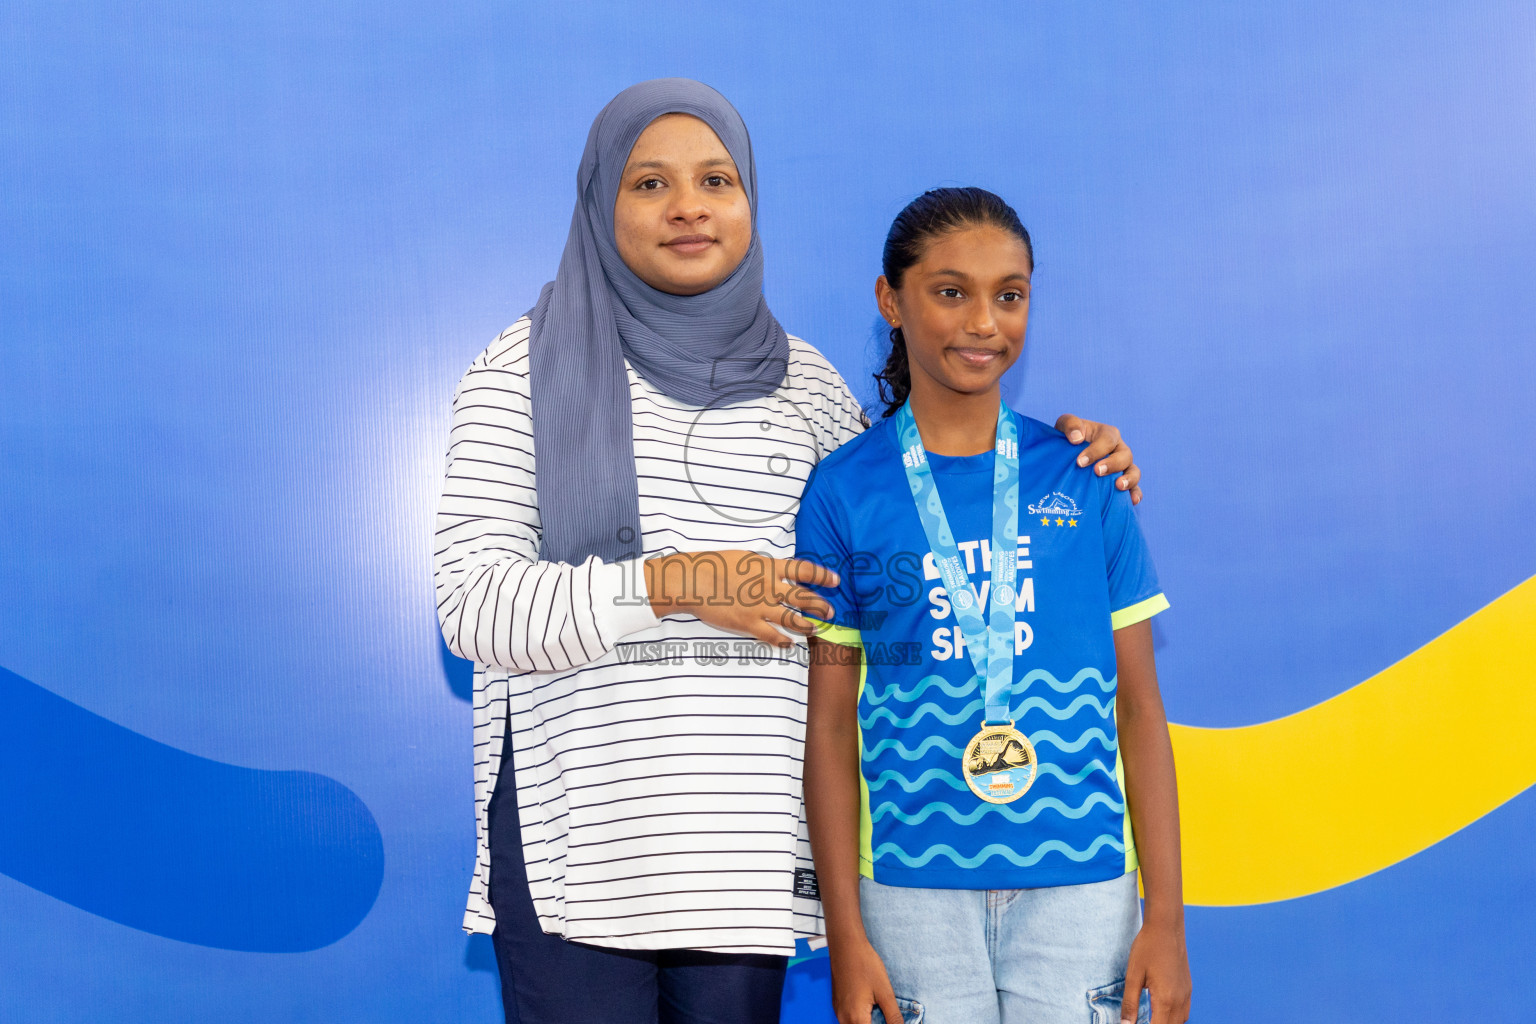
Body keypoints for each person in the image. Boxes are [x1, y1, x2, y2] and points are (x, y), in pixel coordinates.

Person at [435, 80, 1144, 1024]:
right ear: (601, 203)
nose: (688, 206)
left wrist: (1077, 460)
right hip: (581, 860)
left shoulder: (805, 385)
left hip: (743, 868)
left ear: (749, 201)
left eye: (715, 179)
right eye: (650, 183)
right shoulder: (518, 370)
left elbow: (913, 507)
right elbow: (472, 607)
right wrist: (673, 584)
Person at [799, 187, 1192, 1024]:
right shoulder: (843, 491)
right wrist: (845, 932)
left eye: (1009, 295)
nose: (985, 321)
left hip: (1082, 887)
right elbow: (830, 724)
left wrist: (1165, 918)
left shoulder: (1086, 479)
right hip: (909, 894)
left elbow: (1140, 709)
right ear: (889, 301)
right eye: (951, 292)